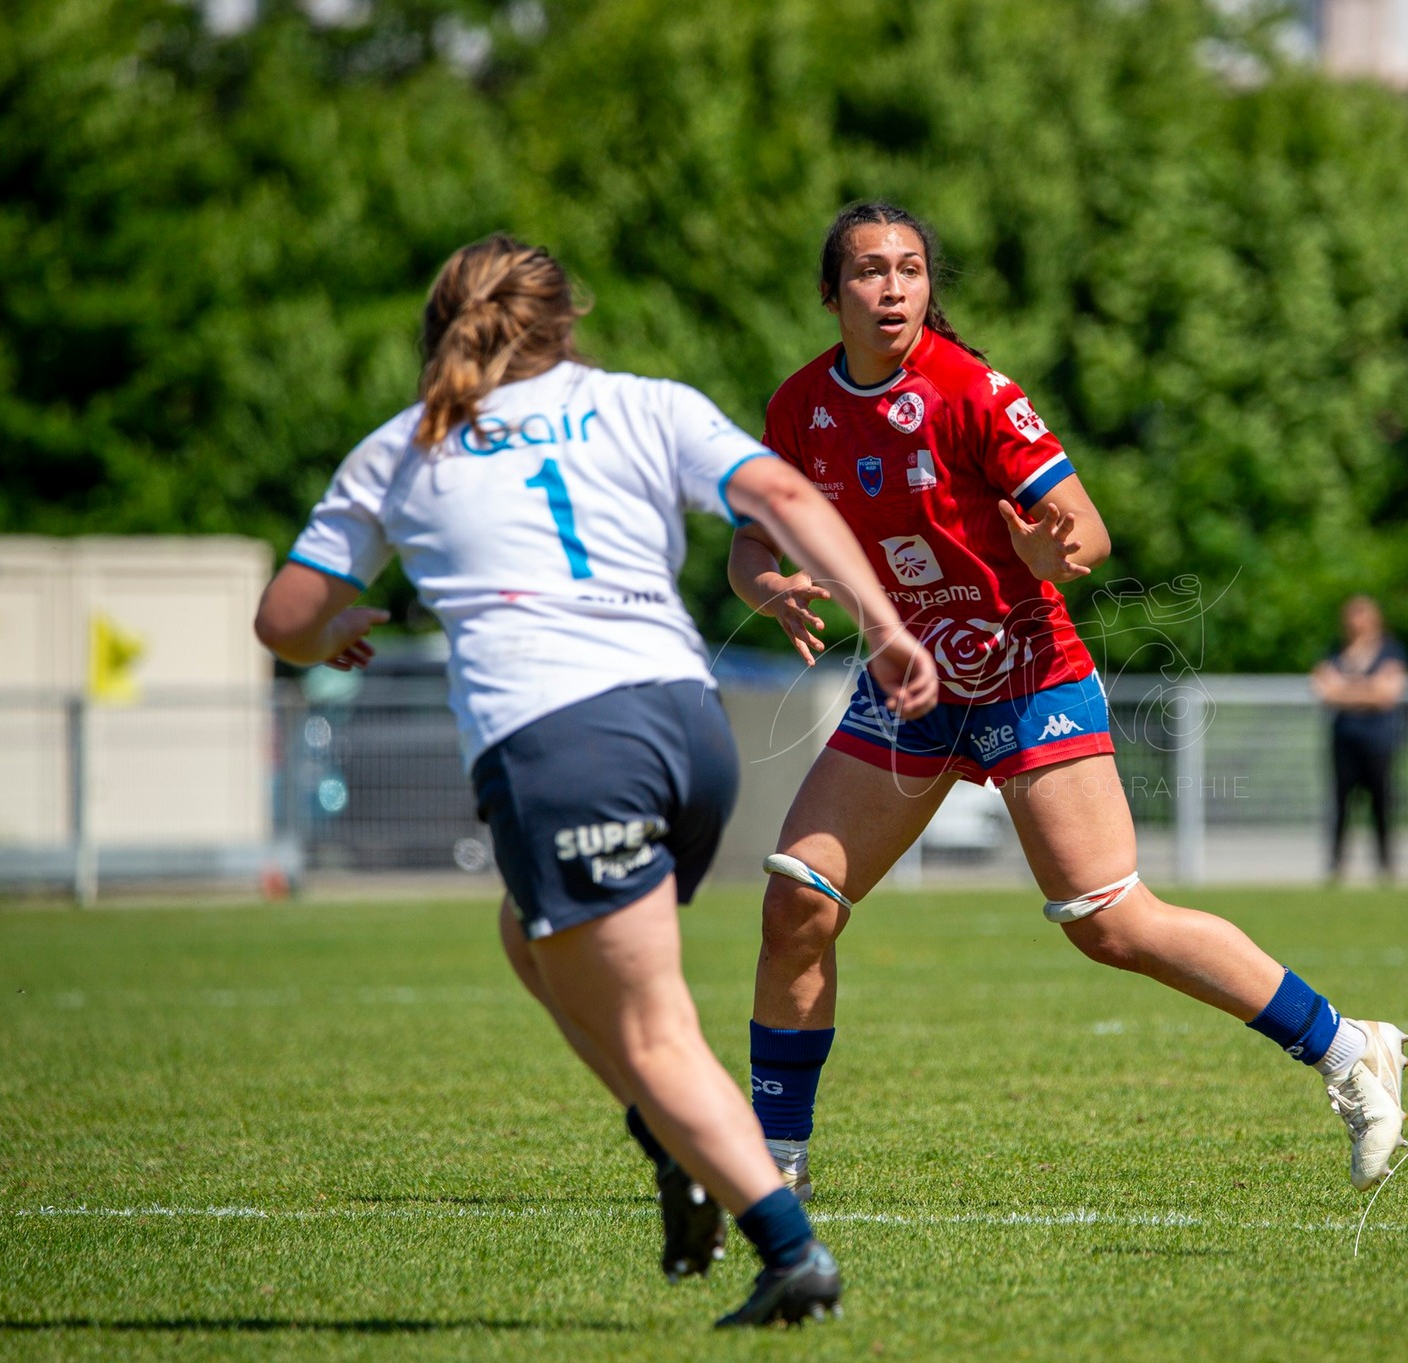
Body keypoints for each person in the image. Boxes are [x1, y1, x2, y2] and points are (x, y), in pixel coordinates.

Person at [252, 233, 940, 1324]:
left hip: (562, 744)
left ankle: (789, 1251)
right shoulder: (643, 403)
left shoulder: (406, 444)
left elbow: (281, 618)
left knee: (656, 1026)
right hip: (686, 726)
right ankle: (671, 1131)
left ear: (440, 325)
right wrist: (888, 625)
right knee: (529, 937)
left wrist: (335, 622)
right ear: (566, 323)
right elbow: (787, 500)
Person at [725, 201, 1408, 1206]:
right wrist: (764, 585)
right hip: (910, 685)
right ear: (830, 294)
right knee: (796, 903)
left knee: (1109, 922)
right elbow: (752, 537)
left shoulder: (970, 391)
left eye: (910, 269)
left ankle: (1351, 1050)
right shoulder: (798, 409)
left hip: (1024, 670)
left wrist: (1056, 553)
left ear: (928, 287)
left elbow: (1085, 527)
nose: (891, 288)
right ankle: (772, 1159)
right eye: (868, 271)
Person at [1310, 596, 1408, 884]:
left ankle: (1385, 867)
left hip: (1378, 741)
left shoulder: (1391, 650)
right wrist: (1367, 689)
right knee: (1340, 804)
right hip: (1344, 740)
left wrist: (1345, 690)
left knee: (1381, 803)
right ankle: (1336, 866)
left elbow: (1387, 695)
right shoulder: (1335, 650)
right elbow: (1324, 691)